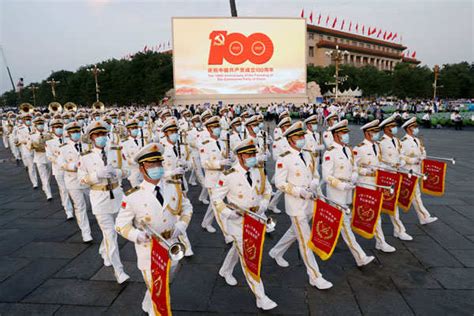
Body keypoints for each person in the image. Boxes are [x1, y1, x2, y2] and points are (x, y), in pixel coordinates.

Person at [116, 143, 193, 315]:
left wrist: (182, 224)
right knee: (159, 291)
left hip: (172, 245)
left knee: (165, 281)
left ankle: (148, 301)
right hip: (149, 249)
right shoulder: (133, 196)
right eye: (151, 165)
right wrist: (137, 235)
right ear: (142, 169)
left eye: (158, 164)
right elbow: (120, 225)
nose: (156, 168)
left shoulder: (173, 186)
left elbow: (187, 208)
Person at [212, 138, 277, 310]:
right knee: (249, 257)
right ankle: (261, 296)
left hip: (255, 219)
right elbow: (216, 198)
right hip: (238, 222)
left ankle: (225, 270)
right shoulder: (228, 175)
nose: (252, 157)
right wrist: (228, 213)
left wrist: (264, 203)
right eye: (249, 154)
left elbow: (267, 189)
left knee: (239, 249)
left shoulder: (258, 171)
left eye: (253, 153)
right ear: (240, 157)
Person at [269, 121, 333, 289]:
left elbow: (316, 175)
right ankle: (315, 275)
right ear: (290, 139)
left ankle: (276, 251)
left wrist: (315, 184)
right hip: (296, 205)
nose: (302, 139)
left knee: (293, 232)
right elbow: (280, 183)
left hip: (311, 202)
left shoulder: (307, 154)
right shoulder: (284, 158)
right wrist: (298, 191)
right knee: (305, 240)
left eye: (302, 136)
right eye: (298, 136)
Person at [78, 120, 130, 284]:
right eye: (97, 135)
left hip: (117, 195)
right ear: (91, 137)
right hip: (100, 199)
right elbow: (81, 180)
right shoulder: (85, 157)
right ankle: (119, 271)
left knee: (116, 231)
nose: (101, 137)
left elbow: (127, 171)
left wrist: (117, 172)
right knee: (110, 235)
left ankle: (103, 249)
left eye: (103, 134)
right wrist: (97, 175)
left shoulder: (116, 150)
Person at [322, 119, 376, 267]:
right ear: (336, 135)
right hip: (336, 193)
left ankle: (321, 239)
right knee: (345, 226)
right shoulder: (330, 153)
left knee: (341, 222)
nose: (346, 135)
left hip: (348, 191)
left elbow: (353, 167)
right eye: (343, 133)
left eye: (346, 132)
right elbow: (326, 176)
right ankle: (360, 257)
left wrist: (357, 173)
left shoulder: (347, 150)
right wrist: (341, 185)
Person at [353, 120, 396, 252]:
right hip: (365, 183)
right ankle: (381, 242)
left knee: (375, 213)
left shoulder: (377, 146)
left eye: (378, 131)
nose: (377, 134)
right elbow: (353, 168)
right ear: (367, 133)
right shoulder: (359, 148)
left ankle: (379, 241)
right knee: (374, 214)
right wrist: (366, 171)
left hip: (377, 182)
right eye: (375, 132)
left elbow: (379, 161)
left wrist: (386, 166)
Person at [378, 115, 413, 241]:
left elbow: (402, 155)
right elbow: (378, 161)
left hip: (396, 175)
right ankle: (395, 231)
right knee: (384, 206)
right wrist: (389, 166)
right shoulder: (380, 143)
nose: (395, 128)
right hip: (385, 177)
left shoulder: (397, 141)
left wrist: (402, 162)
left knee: (393, 204)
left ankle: (398, 230)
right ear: (386, 128)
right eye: (392, 126)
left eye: (395, 126)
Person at [58, 122, 93, 242]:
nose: (76, 134)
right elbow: (61, 164)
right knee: (80, 206)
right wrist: (74, 165)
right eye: (73, 132)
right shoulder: (63, 148)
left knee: (89, 203)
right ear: (68, 134)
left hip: (87, 181)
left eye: (78, 131)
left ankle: (84, 223)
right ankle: (86, 233)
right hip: (73, 181)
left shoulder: (87, 145)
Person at [400, 117, 438, 225]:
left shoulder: (416, 140)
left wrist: (422, 155)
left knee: (413, 195)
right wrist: (412, 160)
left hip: (417, 169)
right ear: (408, 128)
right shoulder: (403, 142)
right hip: (409, 171)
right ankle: (425, 216)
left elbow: (422, 152)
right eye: (414, 127)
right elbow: (401, 157)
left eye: (416, 126)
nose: (417, 129)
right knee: (415, 194)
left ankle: (422, 218)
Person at [45, 118, 73, 218]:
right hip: (59, 169)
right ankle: (68, 210)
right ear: (52, 129)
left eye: (60, 127)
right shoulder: (49, 142)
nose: (59, 129)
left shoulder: (69, 139)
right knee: (64, 190)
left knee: (74, 189)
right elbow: (49, 156)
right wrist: (60, 162)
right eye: (56, 127)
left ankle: (77, 206)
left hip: (71, 169)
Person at [30, 116, 53, 200]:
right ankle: (48, 193)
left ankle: (46, 186)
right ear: (35, 126)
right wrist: (34, 146)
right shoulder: (32, 135)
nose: (40, 126)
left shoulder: (48, 134)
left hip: (48, 157)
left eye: (41, 124)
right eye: (38, 124)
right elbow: (29, 146)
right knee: (43, 176)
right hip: (39, 157)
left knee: (48, 175)